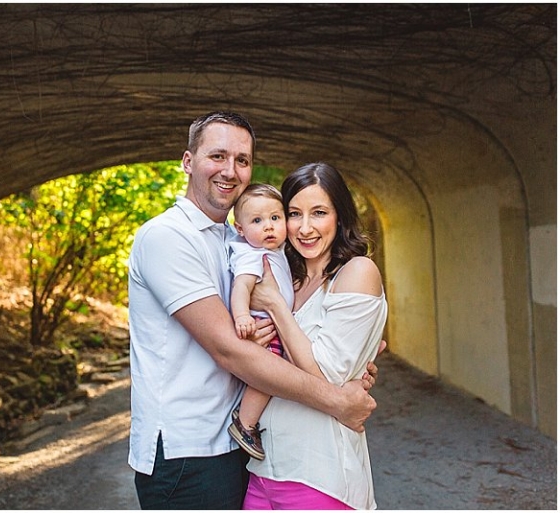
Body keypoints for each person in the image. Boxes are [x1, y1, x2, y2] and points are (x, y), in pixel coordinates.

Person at [127, 112, 380, 510]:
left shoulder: (238, 238)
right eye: (217, 156)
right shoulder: (167, 237)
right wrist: (336, 400)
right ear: (188, 162)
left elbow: (311, 335)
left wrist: (357, 355)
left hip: (237, 449)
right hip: (187, 453)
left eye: (242, 160)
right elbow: (230, 350)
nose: (230, 170)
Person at [244, 162, 388, 510]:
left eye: (319, 212)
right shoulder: (287, 279)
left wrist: (276, 308)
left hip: (320, 475)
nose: (305, 228)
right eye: (294, 214)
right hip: (262, 471)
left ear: (340, 216)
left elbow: (326, 373)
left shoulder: (357, 272)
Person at [227, 183, 294, 460]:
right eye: (257, 221)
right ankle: (245, 424)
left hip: (277, 324)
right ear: (240, 228)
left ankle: (250, 417)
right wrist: (242, 316)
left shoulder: (275, 250)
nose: (269, 227)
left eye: (275, 218)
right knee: (267, 378)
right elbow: (241, 287)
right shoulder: (251, 255)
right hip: (264, 326)